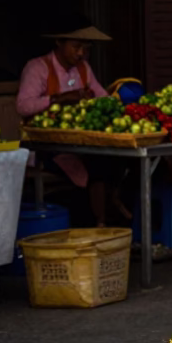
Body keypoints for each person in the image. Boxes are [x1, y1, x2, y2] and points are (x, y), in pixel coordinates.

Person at [17, 15, 121, 226]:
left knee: (113, 162)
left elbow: (102, 97)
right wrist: (58, 99)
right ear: (59, 42)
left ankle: (104, 220)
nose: (81, 53)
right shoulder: (37, 68)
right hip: (46, 148)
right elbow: (23, 106)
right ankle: (98, 222)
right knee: (96, 165)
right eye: (76, 47)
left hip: (81, 144)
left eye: (85, 48)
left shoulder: (83, 68)